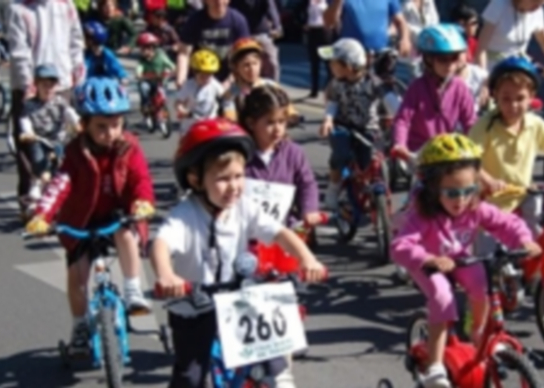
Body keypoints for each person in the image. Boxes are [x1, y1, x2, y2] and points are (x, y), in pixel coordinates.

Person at [150, 118, 326, 388]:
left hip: (238, 298)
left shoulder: (244, 206)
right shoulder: (185, 215)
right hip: (193, 305)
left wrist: (307, 259)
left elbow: (279, 233)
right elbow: (161, 244)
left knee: (273, 362)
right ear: (196, 179)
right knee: (191, 375)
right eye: (222, 179)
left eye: (239, 176)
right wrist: (167, 276)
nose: (233, 186)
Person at [391, 133, 540, 388]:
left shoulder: (474, 207)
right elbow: (399, 247)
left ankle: (476, 331)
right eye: (451, 192)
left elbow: (507, 223)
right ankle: (435, 368)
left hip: (459, 259)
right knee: (442, 296)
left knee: (481, 280)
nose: (460, 199)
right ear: (433, 188)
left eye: (468, 190)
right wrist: (429, 258)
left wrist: (524, 240)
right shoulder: (422, 214)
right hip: (428, 262)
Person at [24, 77, 155, 354]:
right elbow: (60, 184)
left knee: (125, 234)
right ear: (84, 125)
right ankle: (80, 325)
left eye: (116, 125)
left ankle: (133, 290)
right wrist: (43, 214)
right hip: (81, 220)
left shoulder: (129, 147)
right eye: (101, 127)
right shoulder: (75, 153)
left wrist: (142, 201)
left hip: (117, 213)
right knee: (77, 274)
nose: (110, 133)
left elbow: (139, 178)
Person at [467, 57, 544, 235]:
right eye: (506, 99)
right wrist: (489, 181)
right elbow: (469, 161)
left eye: (520, 98)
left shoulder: (534, 124)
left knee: (537, 232)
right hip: (491, 201)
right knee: (488, 253)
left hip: (522, 195)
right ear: (495, 95)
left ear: (532, 97)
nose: (513, 105)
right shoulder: (485, 126)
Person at [7, 0, 86, 219]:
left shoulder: (65, 5)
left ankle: (63, 198)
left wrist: (78, 75)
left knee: (64, 145)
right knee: (31, 145)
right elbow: (19, 52)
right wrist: (28, 85)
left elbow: (76, 41)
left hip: (61, 83)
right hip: (30, 87)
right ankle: (30, 201)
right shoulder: (18, 8)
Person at [392, 24, 476, 162]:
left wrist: (475, 145)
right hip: (418, 154)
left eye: (454, 58)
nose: (449, 65)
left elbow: (470, 122)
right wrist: (400, 144)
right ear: (429, 59)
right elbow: (403, 120)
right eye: (443, 59)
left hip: (447, 152)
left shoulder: (460, 87)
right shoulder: (417, 87)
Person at [241, 85, 321, 227]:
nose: (277, 129)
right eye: (270, 122)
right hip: (244, 232)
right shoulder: (239, 155)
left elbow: (307, 183)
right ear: (251, 123)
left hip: (283, 231)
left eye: (281, 122)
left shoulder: (293, 153)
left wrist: (309, 209)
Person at [317, 37, 383, 209]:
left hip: (368, 127)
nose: (331, 66)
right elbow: (333, 102)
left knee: (369, 161)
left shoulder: (371, 82)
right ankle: (334, 186)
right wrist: (328, 119)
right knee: (339, 154)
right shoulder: (336, 83)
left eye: (334, 63)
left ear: (348, 66)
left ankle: (369, 189)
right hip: (343, 126)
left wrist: (401, 115)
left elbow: (390, 99)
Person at [18, 64, 82, 215]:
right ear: (36, 85)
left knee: (67, 165)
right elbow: (24, 121)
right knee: (37, 153)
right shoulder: (29, 105)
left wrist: (78, 124)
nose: (48, 89)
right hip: (39, 139)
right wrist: (27, 133)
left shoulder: (59, 102)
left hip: (60, 140)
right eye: (44, 85)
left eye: (51, 85)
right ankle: (37, 182)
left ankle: (66, 197)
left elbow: (70, 113)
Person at [475, 0, 544, 84]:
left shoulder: (538, 11)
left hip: (519, 70)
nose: (537, 8)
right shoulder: (500, 4)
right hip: (492, 70)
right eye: (535, 1)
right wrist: (484, 81)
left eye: (541, 4)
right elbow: (481, 49)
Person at [176, 0, 250, 85]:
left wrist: (228, 83)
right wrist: (181, 80)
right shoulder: (194, 21)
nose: (218, 1)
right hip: (200, 77)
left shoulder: (238, 21)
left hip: (230, 78)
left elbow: (244, 56)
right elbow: (184, 53)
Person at [323, 0, 412, 62]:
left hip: (379, 57)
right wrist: (338, 2)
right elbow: (329, 23)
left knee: (384, 87)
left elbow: (401, 21)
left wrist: (405, 39)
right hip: (351, 59)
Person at [229, 0, 283, 82]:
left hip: (260, 32)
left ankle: (272, 86)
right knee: (235, 61)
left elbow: (271, 9)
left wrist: (277, 26)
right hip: (240, 33)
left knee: (271, 61)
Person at [175, 48, 225, 134]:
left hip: (210, 124)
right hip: (191, 125)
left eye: (209, 75)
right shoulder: (189, 85)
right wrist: (181, 109)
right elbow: (179, 101)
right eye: (202, 75)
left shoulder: (214, 84)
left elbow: (225, 96)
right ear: (195, 72)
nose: (206, 78)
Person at [135, 32, 176, 129]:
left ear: (152, 48)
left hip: (159, 80)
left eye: (145, 48)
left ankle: (161, 113)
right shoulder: (142, 60)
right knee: (144, 89)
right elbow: (139, 67)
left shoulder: (160, 56)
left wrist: (173, 70)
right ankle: (146, 110)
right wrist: (139, 74)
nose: (143, 52)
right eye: (142, 49)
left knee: (162, 96)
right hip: (147, 81)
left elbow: (170, 64)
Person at [401, 0, 439, 77]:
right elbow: (400, 26)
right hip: (408, 59)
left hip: (429, 53)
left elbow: (435, 23)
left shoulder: (429, 2)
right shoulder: (401, 4)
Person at [304, 0, 333, 98]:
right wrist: (303, 23)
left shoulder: (327, 2)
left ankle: (330, 88)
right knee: (314, 63)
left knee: (329, 63)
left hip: (324, 34)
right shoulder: (308, 2)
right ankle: (314, 90)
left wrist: (330, 26)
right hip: (312, 32)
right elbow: (298, 12)